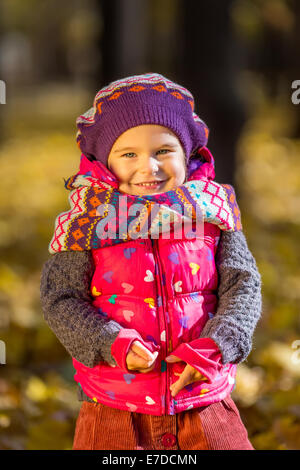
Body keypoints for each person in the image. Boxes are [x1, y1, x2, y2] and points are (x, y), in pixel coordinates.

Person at [40, 73, 262, 450]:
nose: (150, 167)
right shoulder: (87, 224)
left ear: (186, 154)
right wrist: (111, 342)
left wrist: (217, 344)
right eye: (129, 154)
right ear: (107, 162)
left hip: (203, 400)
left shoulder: (212, 214)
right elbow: (61, 300)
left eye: (163, 151)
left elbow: (244, 284)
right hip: (113, 408)